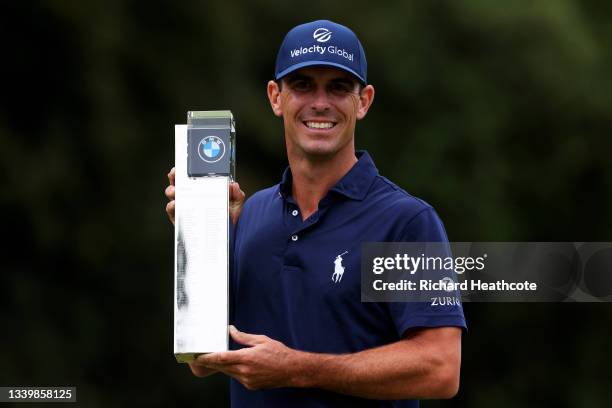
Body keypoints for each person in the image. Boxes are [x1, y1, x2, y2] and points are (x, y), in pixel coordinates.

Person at [165, 20, 466, 407]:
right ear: (276, 97)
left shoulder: (406, 222)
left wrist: (297, 369)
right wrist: (202, 242)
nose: (320, 102)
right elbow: (203, 361)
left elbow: (440, 368)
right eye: (302, 85)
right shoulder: (250, 215)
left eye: (338, 87)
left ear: (364, 101)